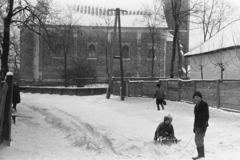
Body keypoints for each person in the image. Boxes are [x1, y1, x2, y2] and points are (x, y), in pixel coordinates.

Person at [192, 91, 209, 160]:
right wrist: (194, 126)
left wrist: (203, 126)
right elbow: (196, 117)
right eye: (194, 97)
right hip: (197, 126)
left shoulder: (204, 104)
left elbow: (206, 116)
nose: (196, 98)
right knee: (197, 139)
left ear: (200, 98)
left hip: (202, 126)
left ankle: (201, 155)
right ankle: (200, 154)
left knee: (199, 139)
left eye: (197, 97)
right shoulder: (196, 106)